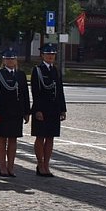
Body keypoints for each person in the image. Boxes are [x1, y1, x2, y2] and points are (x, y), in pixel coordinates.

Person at [0, 48, 30, 177]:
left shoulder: (20, 75)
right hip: (3, 111)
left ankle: (11, 167)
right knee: (2, 139)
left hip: (17, 111)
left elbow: (25, 93)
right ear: (4, 60)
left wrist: (26, 111)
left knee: (13, 139)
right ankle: (2, 166)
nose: (10, 61)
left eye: (12, 59)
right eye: (8, 59)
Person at [30, 43, 67, 177]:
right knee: (40, 137)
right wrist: (38, 110)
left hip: (54, 109)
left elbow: (60, 91)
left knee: (50, 137)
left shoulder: (55, 70)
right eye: (48, 54)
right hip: (42, 109)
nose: (51, 57)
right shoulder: (38, 70)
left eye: (52, 54)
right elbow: (35, 91)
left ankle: (46, 164)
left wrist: (63, 109)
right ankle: (40, 164)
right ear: (42, 55)